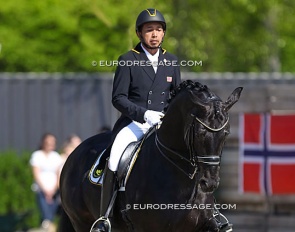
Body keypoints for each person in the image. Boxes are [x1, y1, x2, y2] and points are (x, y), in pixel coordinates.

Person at [95, 8, 181, 231]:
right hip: (135, 123)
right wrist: (144, 114)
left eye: (159, 30)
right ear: (139, 33)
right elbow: (118, 98)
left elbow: (176, 96)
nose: (154, 34)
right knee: (114, 158)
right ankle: (104, 217)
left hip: (163, 123)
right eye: (149, 30)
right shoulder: (128, 60)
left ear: (164, 34)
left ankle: (209, 209)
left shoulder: (171, 60)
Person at [30, 133, 63, 231]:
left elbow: (58, 174)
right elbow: (36, 173)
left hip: (54, 190)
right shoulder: (37, 155)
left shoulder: (56, 156)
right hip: (41, 189)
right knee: (46, 213)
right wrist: (45, 189)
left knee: (50, 215)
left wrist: (54, 189)